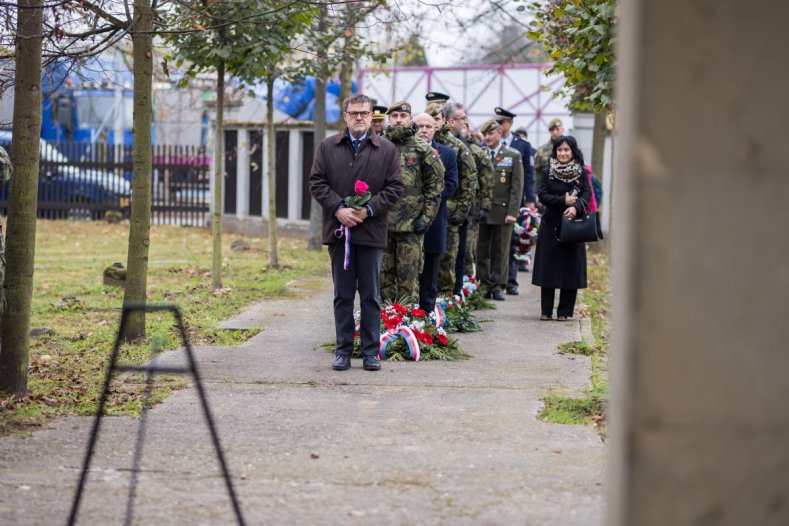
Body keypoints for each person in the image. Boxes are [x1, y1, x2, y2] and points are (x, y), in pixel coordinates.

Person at [309, 94, 404, 372]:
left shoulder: (386, 149)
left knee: (371, 294)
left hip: (371, 232)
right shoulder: (328, 147)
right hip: (340, 234)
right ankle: (343, 351)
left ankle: (371, 352)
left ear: (372, 115)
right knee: (343, 295)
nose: (359, 117)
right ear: (345, 116)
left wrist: (369, 209)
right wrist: (338, 208)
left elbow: (395, 187)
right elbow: (317, 182)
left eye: (364, 113)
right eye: (354, 113)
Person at [381, 101, 444, 304]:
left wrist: (426, 218)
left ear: (410, 119)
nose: (398, 120)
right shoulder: (378, 146)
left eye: (403, 116)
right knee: (382, 277)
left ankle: (408, 324)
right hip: (382, 224)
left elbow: (435, 187)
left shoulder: (422, 149)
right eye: (394, 116)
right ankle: (383, 323)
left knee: (409, 277)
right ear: (389, 119)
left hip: (411, 225)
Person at [531, 135, 591, 321]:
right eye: (560, 150)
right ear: (555, 152)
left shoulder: (581, 173)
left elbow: (588, 194)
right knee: (548, 267)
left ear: (572, 152)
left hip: (574, 226)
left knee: (570, 268)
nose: (563, 153)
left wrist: (575, 207)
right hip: (551, 225)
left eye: (566, 150)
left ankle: (564, 312)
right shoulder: (548, 171)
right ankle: (546, 311)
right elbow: (542, 195)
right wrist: (562, 201)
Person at [426, 102, 477, 295]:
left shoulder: (456, 147)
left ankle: (448, 302)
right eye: (431, 119)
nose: (434, 123)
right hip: (424, 213)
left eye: (437, 119)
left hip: (450, 212)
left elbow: (469, 181)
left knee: (448, 259)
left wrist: (461, 212)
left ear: (444, 121)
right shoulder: (418, 143)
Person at [414, 113, 458, 314]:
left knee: (431, 271)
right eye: (419, 126)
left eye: (428, 126)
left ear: (435, 129)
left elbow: (451, 183)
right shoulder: (404, 151)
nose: (423, 130)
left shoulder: (447, 153)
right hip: (408, 218)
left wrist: (430, 200)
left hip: (434, 220)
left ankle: (427, 314)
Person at [444, 102, 494, 281]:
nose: (465, 122)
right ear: (451, 121)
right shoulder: (443, 143)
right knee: (450, 253)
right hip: (447, 207)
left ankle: (464, 287)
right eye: (462, 118)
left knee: (465, 251)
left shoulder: (469, 148)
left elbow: (483, 180)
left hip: (465, 208)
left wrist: (484, 206)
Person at [476, 119, 523, 301]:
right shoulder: (479, 154)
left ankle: (498, 286)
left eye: (491, 133)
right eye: (485, 134)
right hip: (482, 211)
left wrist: (513, 212)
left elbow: (516, 187)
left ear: (500, 134)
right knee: (481, 251)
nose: (488, 137)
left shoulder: (512, 155)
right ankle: (484, 284)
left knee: (501, 250)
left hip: (503, 211)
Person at [494, 107, 536, 295]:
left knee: (512, 240)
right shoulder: (492, 144)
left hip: (515, 200)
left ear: (509, 124)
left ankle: (510, 280)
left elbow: (528, 174)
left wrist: (530, 199)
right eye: (497, 123)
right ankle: (494, 280)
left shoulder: (523, 146)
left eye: (501, 123)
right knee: (496, 242)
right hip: (496, 200)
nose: (499, 126)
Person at [534, 117, 565, 192]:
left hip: (567, 192)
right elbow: (537, 174)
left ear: (562, 130)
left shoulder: (571, 148)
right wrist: (536, 193)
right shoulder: (541, 150)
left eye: (557, 129)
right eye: (552, 130)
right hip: (547, 192)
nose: (555, 132)